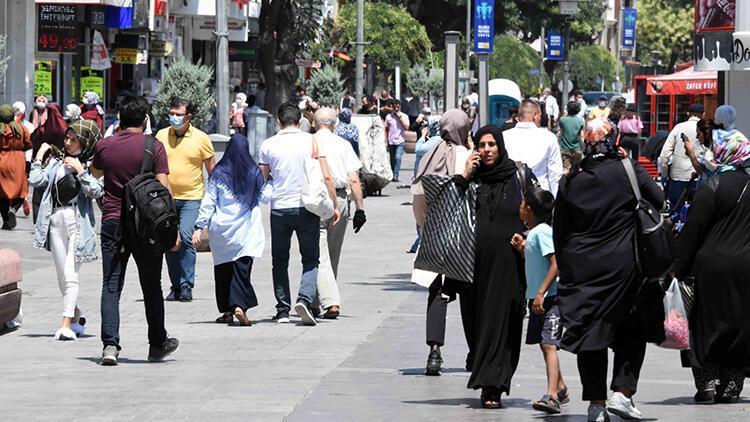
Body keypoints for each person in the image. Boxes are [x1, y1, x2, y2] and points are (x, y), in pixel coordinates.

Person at [554, 119, 664, 422]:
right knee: (630, 328)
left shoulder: (572, 179)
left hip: (582, 269)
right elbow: (658, 199)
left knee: (590, 332)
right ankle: (622, 393)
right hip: (624, 267)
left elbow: (559, 229)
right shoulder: (628, 170)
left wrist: (566, 269)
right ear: (613, 139)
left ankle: (596, 404)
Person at [89, 95, 180, 366]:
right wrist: (172, 230)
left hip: (113, 222)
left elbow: (94, 173)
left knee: (111, 284)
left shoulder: (105, 146)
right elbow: (164, 189)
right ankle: (157, 344)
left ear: (119, 118)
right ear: (145, 120)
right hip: (146, 225)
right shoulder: (154, 146)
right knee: (152, 284)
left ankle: (109, 346)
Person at [458, 125, 536, 408]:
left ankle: (493, 386)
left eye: (492, 144)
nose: (487, 149)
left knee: (505, 322)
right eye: (482, 144)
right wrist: (464, 175)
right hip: (472, 266)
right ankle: (485, 371)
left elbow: (542, 214)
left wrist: (527, 240)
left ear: (500, 146)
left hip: (509, 265)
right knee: (476, 323)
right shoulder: (470, 179)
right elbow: (444, 208)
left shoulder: (519, 176)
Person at [671, 126, 750, 405]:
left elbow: (693, 231)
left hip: (710, 267)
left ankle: (706, 385)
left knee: (703, 324)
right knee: (739, 324)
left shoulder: (712, 186)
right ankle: (731, 386)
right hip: (745, 268)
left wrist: (677, 267)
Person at [258, 102, 339, 326]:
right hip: (307, 207)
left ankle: (282, 309)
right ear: (300, 120)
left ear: (279, 121)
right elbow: (326, 176)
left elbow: (263, 178)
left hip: (280, 209)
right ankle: (304, 299)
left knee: (280, 260)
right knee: (311, 258)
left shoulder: (268, 145)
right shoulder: (312, 140)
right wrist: (334, 205)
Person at [29, 119, 102, 340]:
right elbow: (35, 179)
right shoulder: (56, 163)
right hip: (55, 220)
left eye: (74, 139)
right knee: (62, 276)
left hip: (77, 220)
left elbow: (96, 191)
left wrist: (81, 171)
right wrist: (40, 156)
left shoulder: (92, 165)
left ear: (85, 141)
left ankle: (65, 323)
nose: (68, 142)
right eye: (67, 138)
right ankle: (77, 314)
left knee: (71, 274)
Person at [411, 110, 472, 375]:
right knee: (471, 296)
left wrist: (428, 228)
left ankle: (434, 352)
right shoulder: (468, 156)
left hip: (434, 235)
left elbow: (418, 201)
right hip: (464, 238)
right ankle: (474, 351)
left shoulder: (428, 156)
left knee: (436, 294)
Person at [191, 134, 267, 326]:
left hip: (222, 230)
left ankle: (227, 310)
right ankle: (239, 305)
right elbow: (265, 196)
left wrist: (199, 226)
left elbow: (209, 202)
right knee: (242, 268)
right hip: (246, 230)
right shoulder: (253, 172)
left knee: (223, 269)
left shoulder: (218, 172)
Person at [511, 187, 568, 414]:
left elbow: (556, 264)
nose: (520, 207)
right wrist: (522, 249)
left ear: (529, 210)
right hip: (538, 299)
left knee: (548, 344)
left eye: (523, 203)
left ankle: (552, 396)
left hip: (550, 298)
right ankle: (561, 387)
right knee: (546, 346)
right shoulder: (534, 233)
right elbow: (536, 261)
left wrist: (542, 292)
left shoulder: (543, 232)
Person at [156, 97, 216, 302]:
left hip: (192, 198)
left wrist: (214, 200)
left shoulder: (201, 138)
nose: (173, 117)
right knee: (170, 240)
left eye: (178, 114)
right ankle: (175, 285)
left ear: (188, 117)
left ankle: (186, 285)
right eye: (171, 113)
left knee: (187, 236)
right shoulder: (161, 136)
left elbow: (213, 172)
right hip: (167, 199)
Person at [310, 108, 367, 319]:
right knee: (332, 253)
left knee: (318, 252)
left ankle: (325, 302)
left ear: (314, 124)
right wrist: (360, 209)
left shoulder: (309, 142)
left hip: (314, 199)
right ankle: (325, 301)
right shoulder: (343, 145)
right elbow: (353, 179)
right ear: (335, 125)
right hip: (341, 199)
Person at [503, 99, 564, 196]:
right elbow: (555, 174)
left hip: (511, 195)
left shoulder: (504, 136)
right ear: (535, 115)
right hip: (540, 196)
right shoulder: (549, 137)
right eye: (540, 116)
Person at [659, 103, 704, 212]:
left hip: (677, 175)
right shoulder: (704, 129)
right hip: (698, 176)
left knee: (675, 209)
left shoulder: (678, 127)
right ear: (703, 115)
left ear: (688, 114)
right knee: (696, 210)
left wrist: (664, 174)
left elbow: (664, 154)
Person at [408, 115, 441, 254]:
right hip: (423, 181)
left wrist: (422, 136)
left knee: (422, 215)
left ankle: (422, 242)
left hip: (427, 184)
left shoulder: (437, 140)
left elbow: (419, 149)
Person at [30, 102, 67, 223]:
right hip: (62, 164)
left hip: (45, 162)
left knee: (39, 194)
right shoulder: (66, 128)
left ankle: (38, 221)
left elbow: (34, 140)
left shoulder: (44, 128)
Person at [0, 105, 32, 229]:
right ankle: (13, 209)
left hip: (2, 159)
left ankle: (6, 220)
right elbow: (28, 144)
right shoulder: (21, 128)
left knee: (2, 193)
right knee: (20, 190)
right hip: (18, 160)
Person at [384, 100, 409, 182]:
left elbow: (406, 127)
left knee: (397, 158)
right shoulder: (388, 117)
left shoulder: (404, 116)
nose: (396, 108)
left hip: (400, 141)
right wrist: (385, 140)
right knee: (392, 159)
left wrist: (400, 117)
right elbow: (385, 128)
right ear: (392, 107)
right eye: (395, 106)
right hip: (391, 141)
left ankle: (396, 175)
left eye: (398, 106)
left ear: (400, 107)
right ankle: (391, 174)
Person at [558, 101, 585, 173]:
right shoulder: (580, 121)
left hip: (565, 148)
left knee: (566, 168)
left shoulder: (562, 119)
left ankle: (565, 183)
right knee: (576, 169)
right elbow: (582, 136)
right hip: (577, 148)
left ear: (567, 109)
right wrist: (583, 148)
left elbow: (560, 132)